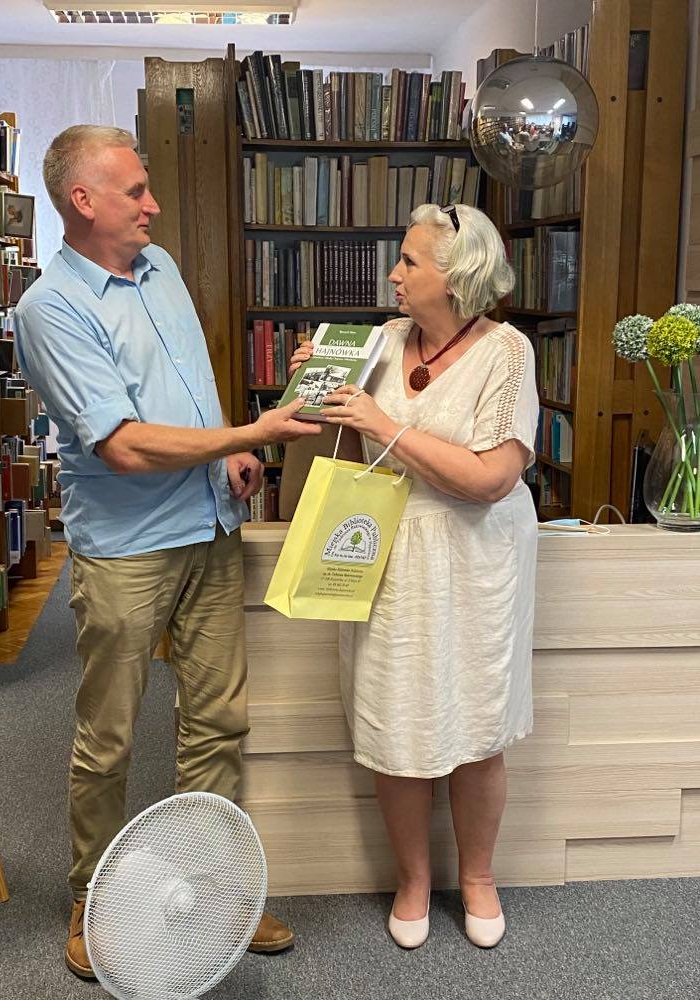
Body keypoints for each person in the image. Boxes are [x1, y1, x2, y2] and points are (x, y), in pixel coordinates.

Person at [13, 125, 321, 978]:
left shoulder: (162, 269)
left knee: (219, 723)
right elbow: (121, 444)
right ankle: (93, 902)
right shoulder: (50, 308)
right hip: (127, 551)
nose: (152, 205)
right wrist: (250, 432)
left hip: (211, 528)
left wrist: (229, 452)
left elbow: (188, 385)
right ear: (83, 201)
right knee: (108, 736)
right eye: (135, 191)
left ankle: (214, 892)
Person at [289, 202, 538, 950]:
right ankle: (413, 880)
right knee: (395, 719)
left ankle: (479, 878)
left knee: (478, 723)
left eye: (409, 262)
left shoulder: (508, 353)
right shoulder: (380, 341)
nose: (393, 275)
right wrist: (311, 388)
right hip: (385, 556)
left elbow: (492, 478)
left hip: (477, 561)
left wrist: (386, 425)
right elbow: (325, 439)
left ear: (456, 279)